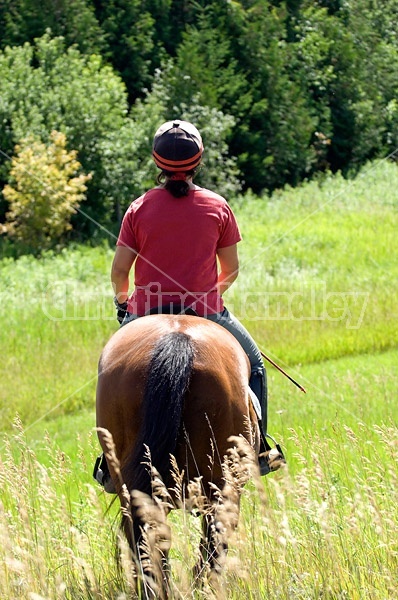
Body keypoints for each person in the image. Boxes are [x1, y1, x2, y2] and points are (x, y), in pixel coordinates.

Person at [94, 120, 282, 489]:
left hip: (145, 310)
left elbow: (119, 272)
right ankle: (260, 452)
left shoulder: (139, 208)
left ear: (157, 163)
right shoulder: (218, 206)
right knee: (255, 367)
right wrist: (210, 295)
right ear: (198, 162)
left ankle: (109, 461)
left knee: (111, 368)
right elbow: (231, 270)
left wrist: (124, 304)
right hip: (207, 310)